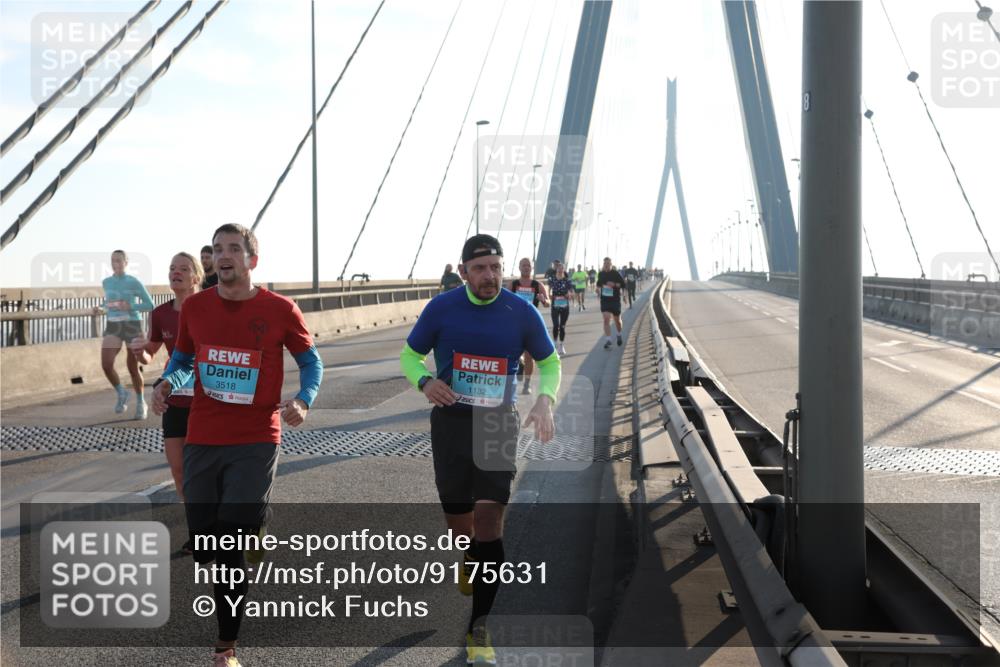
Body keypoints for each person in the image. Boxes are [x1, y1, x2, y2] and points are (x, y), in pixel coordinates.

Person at [152, 224, 323, 667]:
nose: (224, 255)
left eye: (234, 248)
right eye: (218, 248)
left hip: (256, 437)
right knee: (207, 547)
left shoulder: (280, 309)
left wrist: (303, 400)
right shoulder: (197, 308)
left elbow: (310, 360)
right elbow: (186, 359)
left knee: (230, 546)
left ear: (252, 260)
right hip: (204, 435)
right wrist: (169, 380)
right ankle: (256, 519)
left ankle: (225, 647)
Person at [399, 234, 560, 665]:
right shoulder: (442, 308)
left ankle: (479, 629)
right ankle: (469, 552)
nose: (490, 276)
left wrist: (546, 398)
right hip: (450, 423)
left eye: (495, 267)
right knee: (460, 522)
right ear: (464, 270)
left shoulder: (521, 311)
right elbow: (410, 356)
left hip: (496, 423)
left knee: (489, 519)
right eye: (481, 268)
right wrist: (425, 381)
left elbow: (548, 362)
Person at [131, 252, 202, 553]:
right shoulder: (160, 314)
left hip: (207, 399)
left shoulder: (210, 307)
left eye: (184, 268)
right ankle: (199, 533)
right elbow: (152, 351)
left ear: (196, 277)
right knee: (179, 471)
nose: (176, 273)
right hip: (175, 395)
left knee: (208, 470)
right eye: (172, 268)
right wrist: (141, 354)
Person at [93, 249, 155, 420]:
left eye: (119, 260)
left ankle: (141, 402)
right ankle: (121, 392)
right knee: (106, 364)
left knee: (132, 367)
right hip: (114, 325)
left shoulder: (133, 282)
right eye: (113, 261)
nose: (116, 264)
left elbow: (150, 305)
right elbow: (109, 302)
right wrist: (101, 308)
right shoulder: (106, 282)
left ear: (126, 263)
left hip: (132, 325)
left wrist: (131, 307)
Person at [509, 258, 549, 395]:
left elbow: (548, 302)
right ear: (519, 267)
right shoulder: (513, 285)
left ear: (532, 268)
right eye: (523, 265)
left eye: (528, 266)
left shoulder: (537, 285)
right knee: (512, 352)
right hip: (514, 324)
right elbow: (504, 302)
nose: (526, 268)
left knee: (529, 355)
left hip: (531, 324)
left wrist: (544, 300)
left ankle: (527, 384)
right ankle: (518, 366)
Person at [596, 257, 626, 349]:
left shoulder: (616, 273)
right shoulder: (601, 274)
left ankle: (619, 334)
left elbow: (623, 284)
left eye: (608, 263)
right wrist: (597, 290)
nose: (606, 265)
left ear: (611, 264)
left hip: (615, 300)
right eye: (605, 263)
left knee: (617, 320)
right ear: (603, 264)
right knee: (606, 319)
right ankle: (608, 340)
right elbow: (599, 284)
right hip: (605, 300)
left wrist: (614, 285)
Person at [548, 261, 574, 356]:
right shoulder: (552, 279)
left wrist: (569, 295)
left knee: (562, 326)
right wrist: (550, 295)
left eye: (561, 268)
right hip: (555, 305)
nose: (560, 270)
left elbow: (571, 292)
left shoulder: (567, 280)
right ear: (556, 269)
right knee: (556, 325)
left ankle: (561, 345)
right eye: (558, 268)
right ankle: (555, 344)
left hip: (564, 306)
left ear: (563, 270)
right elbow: (549, 290)